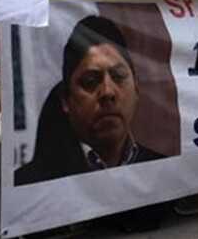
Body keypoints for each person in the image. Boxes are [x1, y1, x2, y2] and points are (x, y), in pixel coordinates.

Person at [15, 16, 164, 185]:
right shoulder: (28, 186)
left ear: (137, 88)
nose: (107, 92)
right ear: (66, 100)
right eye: (90, 82)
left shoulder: (165, 172)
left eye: (119, 76)